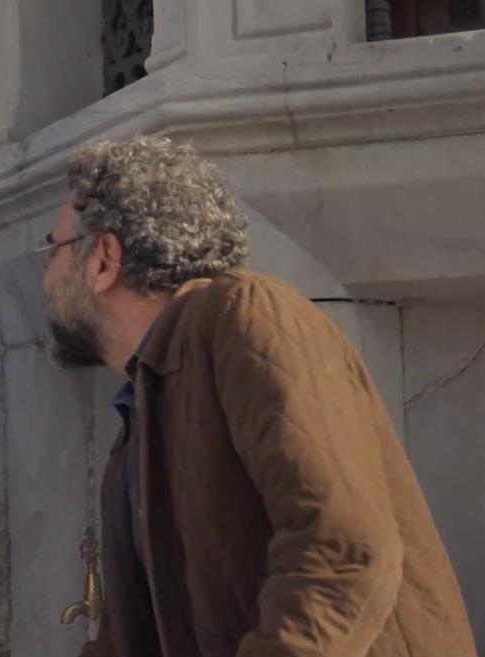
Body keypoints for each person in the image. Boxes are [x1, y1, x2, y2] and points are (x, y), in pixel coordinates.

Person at [40, 135, 476, 657]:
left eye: (53, 249)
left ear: (103, 261)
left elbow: (341, 546)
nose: (45, 278)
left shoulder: (247, 314)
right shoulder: (141, 414)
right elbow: (131, 634)